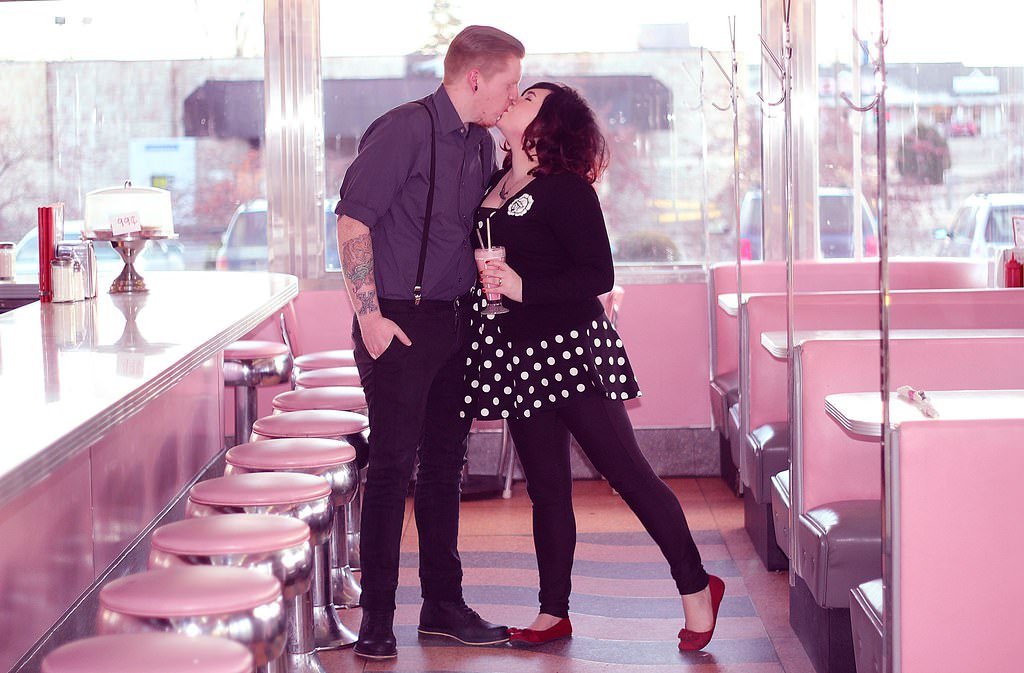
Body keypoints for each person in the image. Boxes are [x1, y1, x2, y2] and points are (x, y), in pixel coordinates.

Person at [467, 82, 726, 652]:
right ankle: (552, 611)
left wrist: (523, 286)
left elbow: (598, 276)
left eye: (530, 96)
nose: (515, 97)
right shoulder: (495, 182)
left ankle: (696, 586)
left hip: (572, 351)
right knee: (547, 491)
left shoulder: (566, 190)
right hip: (517, 355)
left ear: (549, 122)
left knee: (628, 475)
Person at [334, 25, 524, 660]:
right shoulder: (404, 130)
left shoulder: (477, 144)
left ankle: (443, 605)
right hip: (395, 319)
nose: (512, 96)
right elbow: (354, 220)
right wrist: (368, 319)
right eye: (508, 84)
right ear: (475, 77)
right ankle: (377, 622)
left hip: (453, 321)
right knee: (391, 468)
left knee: (446, 468)